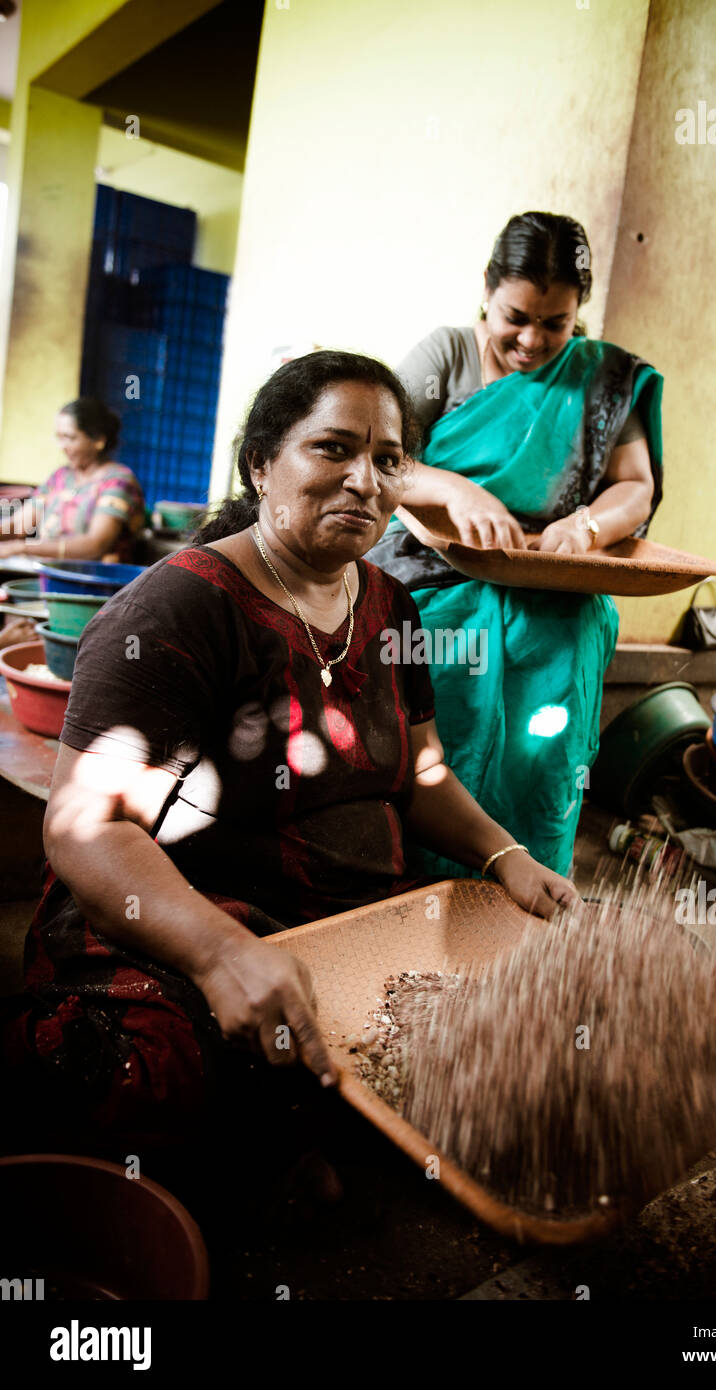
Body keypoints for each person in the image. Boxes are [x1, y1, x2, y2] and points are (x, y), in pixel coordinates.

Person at [0, 351, 576, 1153]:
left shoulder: (389, 606)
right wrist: (219, 951)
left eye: (386, 460)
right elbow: (84, 831)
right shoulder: (176, 610)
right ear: (261, 464)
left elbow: (423, 771)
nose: (364, 481)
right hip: (189, 911)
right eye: (333, 449)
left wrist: (505, 856)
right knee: (156, 1076)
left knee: (537, 1032)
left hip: (346, 914)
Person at [366, 211, 664, 878]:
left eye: (554, 323)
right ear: (487, 290)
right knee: (447, 656)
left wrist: (583, 527)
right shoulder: (444, 355)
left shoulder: (600, 381)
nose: (531, 340)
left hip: (550, 580)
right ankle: (414, 873)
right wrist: (457, 492)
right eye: (515, 317)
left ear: (577, 312)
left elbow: (634, 488)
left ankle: (527, 870)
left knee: (569, 643)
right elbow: (381, 458)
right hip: (429, 569)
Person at [0, 397, 146, 649]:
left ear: (98, 440)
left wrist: (22, 548)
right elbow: (20, 524)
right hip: (46, 582)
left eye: (70, 437)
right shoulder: (60, 477)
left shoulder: (118, 482)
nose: (62, 445)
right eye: (59, 437)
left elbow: (95, 545)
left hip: (91, 593)